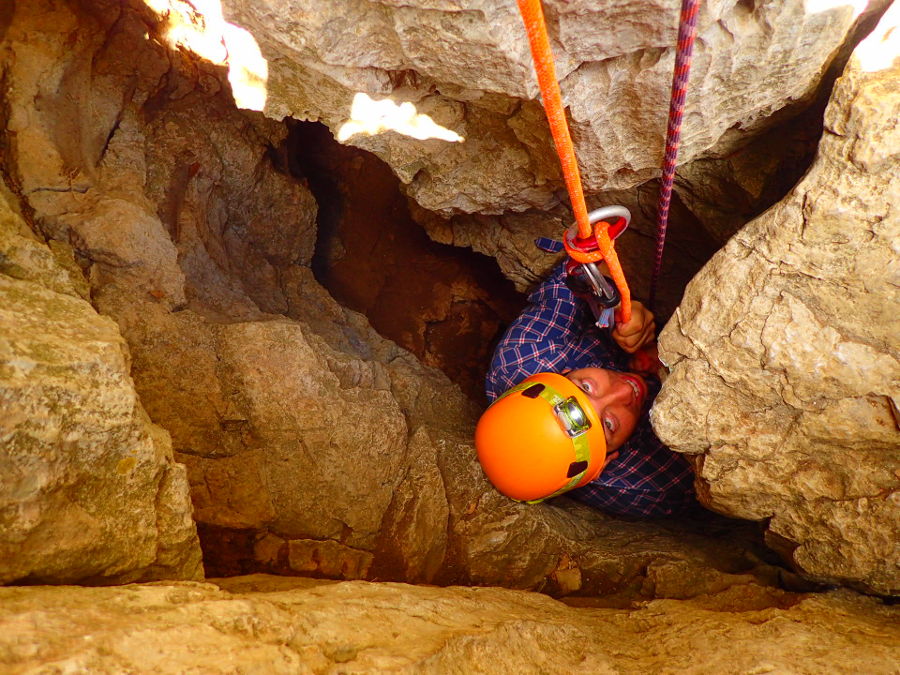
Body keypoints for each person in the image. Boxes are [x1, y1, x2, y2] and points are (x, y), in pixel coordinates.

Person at [475, 257, 694, 517]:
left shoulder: (528, 356)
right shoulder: (653, 482)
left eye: (586, 387)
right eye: (609, 424)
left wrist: (614, 304)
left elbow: (579, 261)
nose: (623, 391)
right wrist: (666, 367)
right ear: (606, 461)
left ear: (562, 372)